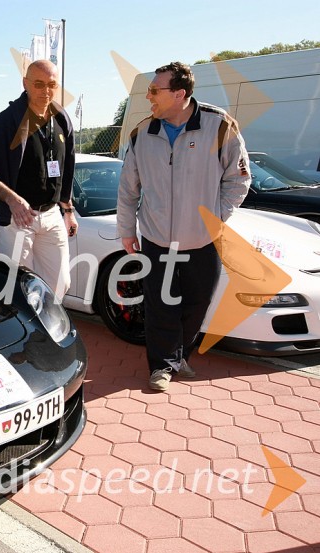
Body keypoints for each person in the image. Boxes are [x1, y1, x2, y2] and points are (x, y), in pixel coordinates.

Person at [117, 61, 251, 392]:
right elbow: (128, 188)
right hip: (157, 237)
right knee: (160, 305)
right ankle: (161, 366)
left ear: (179, 94)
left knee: (198, 302)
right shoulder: (142, 133)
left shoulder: (219, 126)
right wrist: (127, 230)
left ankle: (179, 356)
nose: (148, 96)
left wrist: (217, 218)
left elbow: (238, 178)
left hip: (203, 238)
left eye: (155, 90)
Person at [0, 59, 77, 300]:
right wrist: (12, 200)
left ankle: (47, 332)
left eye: (51, 85)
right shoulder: (7, 122)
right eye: (38, 84)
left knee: (60, 283)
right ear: (25, 83)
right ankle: (26, 336)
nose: (46, 91)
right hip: (20, 217)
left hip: (52, 214)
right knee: (20, 287)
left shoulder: (60, 117)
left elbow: (68, 165)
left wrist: (68, 209)